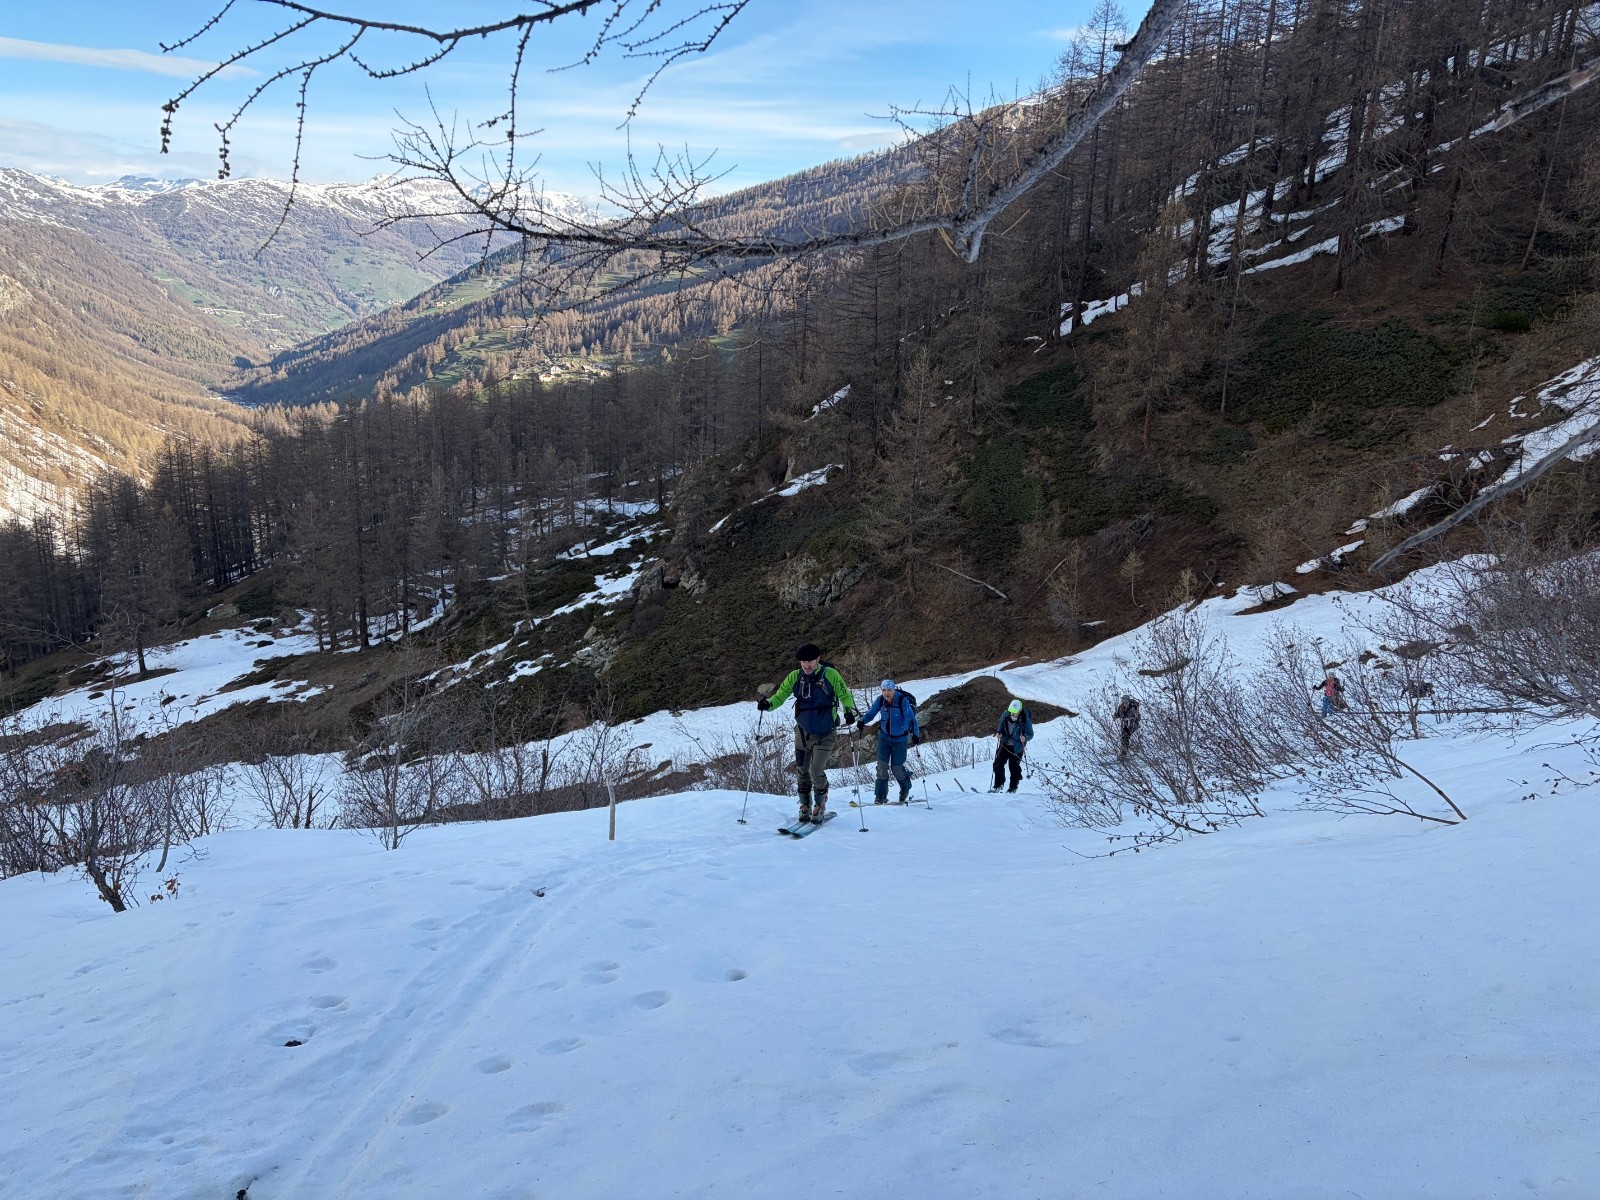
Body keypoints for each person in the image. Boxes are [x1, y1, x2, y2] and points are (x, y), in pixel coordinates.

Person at [758, 643, 857, 825]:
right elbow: (780, 696)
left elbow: (845, 695)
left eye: (810, 661)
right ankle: (805, 805)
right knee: (802, 770)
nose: (807, 665)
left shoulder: (830, 675)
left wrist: (849, 711)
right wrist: (768, 705)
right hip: (802, 732)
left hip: (826, 731)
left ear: (818, 660)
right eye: (803, 662)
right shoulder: (795, 677)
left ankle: (820, 805)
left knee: (816, 770)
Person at [856, 678, 920, 804]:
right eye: (884, 690)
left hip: (900, 740)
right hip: (884, 738)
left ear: (894, 689)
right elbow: (871, 713)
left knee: (896, 768)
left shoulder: (902, 701)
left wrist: (916, 735)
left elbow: (912, 720)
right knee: (882, 767)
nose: (886, 693)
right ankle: (880, 796)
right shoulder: (880, 701)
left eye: (889, 690)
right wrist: (862, 721)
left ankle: (905, 786)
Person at [991, 698, 1032, 793]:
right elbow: (1000, 727)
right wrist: (998, 733)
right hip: (1004, 744)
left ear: (1020, 711)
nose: (1012, 714)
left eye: (1014, 712)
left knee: (1013, 767)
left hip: (1017, 747)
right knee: (998, 763)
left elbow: (1030, 734)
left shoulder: (1025, 719)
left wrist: (1025, 738)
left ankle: (1013, 787)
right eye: (1011, 711)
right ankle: (998, 784)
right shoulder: (1005, 715)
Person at [1113, 694, 1141, 759]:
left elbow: (1138, 717)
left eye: (1125, 700)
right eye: (1123, 700)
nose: (1124, 702)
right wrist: (1115, 716)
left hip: (1133, 724)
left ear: (1128, 700)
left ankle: (1124, 753)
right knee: (1124, 737)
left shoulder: (1133, 706)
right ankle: (1123, 752)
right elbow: (1119, 714)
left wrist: (1136, 716)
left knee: (1125, 736)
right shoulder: (1121, 707)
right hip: (1125, 724)